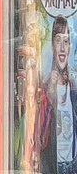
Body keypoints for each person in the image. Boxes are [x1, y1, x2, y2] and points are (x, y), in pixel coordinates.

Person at [36, 16, 77, 174]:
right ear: (52, 45)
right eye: (58, 40)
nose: (62, 47)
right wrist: (50, 94)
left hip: (73, 165)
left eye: (66, 41)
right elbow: (39, 136)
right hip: (53, 166)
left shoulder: (73, 87)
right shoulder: (45, 87)